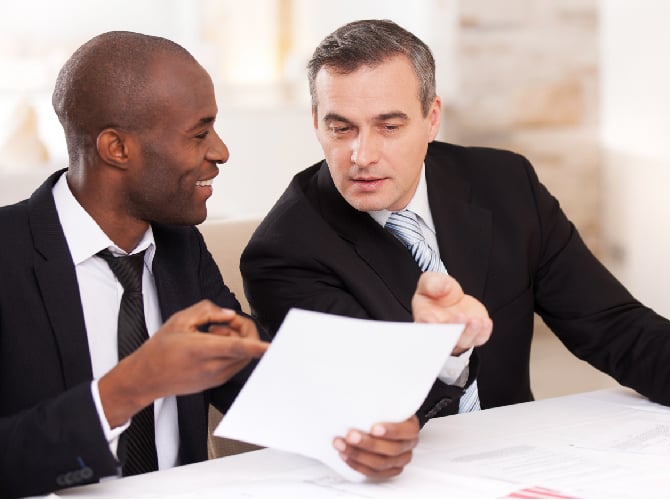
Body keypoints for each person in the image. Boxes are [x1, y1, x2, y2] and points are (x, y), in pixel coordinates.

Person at [0, 31, 491, 497]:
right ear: (117, 148)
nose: (221, 152)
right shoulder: (10, 254)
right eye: (199, 134)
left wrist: (363, 431)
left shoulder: (179, 248)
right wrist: (131, 386)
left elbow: (259, 383)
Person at [241, 19, 670, 429]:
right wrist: (443, 350)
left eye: (389, 126)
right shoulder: (283, 251)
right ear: (316, 123)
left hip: (520, 455)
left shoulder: (503, 182)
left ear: (432, 118)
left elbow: (608, 322)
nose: (362, 155)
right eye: (341, 128)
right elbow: (359, 412)